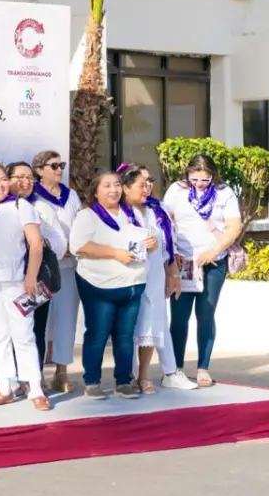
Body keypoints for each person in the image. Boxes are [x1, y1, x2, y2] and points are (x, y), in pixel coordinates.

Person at [0, 162, 51, 411]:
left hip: (17, 281)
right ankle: (6, 386)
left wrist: (30, 277)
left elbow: (36, 244)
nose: (0, 184)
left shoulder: (21, 206)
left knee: (24, 335)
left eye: (3, 179)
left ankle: (35, 389)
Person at [162, 154, 243, 388]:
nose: (199, 184)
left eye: (205, 180)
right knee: (179, 316)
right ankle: (175, 368)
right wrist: (173, 252)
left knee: (206, 314)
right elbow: (165, 221)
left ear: (213, 176)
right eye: (194, 178)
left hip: (213, 262)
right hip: (184, 262)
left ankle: (202, 368)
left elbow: (234, 226)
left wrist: (214, 250)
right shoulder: (176, 190)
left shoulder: (224, 193)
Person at [117, 164, 197, 393]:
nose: (147, 187)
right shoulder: (118, 212)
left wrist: (173, 274)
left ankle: (146, 376)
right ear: (126, 187)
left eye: (149, 182)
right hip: (127, 276)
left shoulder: (156, 210)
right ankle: (129, 375)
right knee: (129, 327)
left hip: (154, 276)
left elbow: (168, 246)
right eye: (142, 183)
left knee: (151, 325)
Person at [70, 172, 149, 399]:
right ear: (95, 192)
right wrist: (115, 253)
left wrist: (150, 244)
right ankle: (92, 381)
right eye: (106, 186)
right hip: (99, 286)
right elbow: (79, 246)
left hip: (132, 285)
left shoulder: (132, 213)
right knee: (98, 334)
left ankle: (123, 381)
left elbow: (140, 242)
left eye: (117, 185)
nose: (113, 190)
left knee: (125, 336)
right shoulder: (87, 216)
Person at [6, 160, 67, 395]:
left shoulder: (42, 208)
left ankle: (34, 378)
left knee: (35, 328)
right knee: (9, 330)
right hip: (7, 279)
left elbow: (60, 243)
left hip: (38, 281)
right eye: (19, 177)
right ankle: (12, 380)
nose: (25, 182)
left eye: (29, 178)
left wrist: (44, 242)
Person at [31, 150, 82, 393]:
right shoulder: (32, 197)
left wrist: (77, 245)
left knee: (66, 319)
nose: (60, 169)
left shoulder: (71, 195)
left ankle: (61, 372)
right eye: (53, 166)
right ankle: (35, 373)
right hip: (40, 270)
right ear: (39, 170)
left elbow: (80, 224)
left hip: (69, 268)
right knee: (37, 323)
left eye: (61, 164)